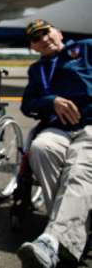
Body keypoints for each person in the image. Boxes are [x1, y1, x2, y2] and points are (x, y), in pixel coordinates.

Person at [17, 19, 92, 268]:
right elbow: (27, 105)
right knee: (40, 148)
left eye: (46, 33)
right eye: (36, 38)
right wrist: (52, 101)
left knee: (78, 168)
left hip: (89, 125)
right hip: (57, 129)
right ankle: (70, 234)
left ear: (59, 32)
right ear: (33, 47)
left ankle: (52, 241)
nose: (44, 39)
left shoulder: (84, 47)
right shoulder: (36, 70)